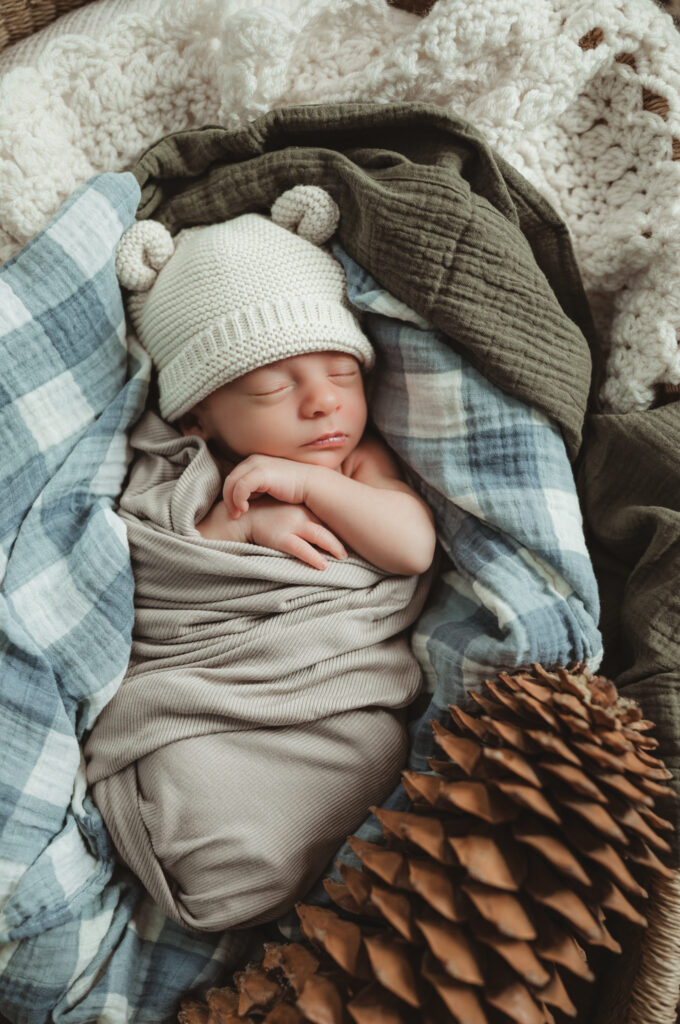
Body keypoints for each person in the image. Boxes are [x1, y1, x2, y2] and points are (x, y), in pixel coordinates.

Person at [85, 186, 436, 932]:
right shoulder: (176, 472)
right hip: (209, 696)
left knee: (379, 746)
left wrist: (312, 487)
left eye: (342, 373)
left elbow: (410, 546)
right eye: (273, 387)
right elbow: (152, 575)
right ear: (198, 415)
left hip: (331, 693)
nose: (322, 403)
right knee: (188, 769)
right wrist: (240, 526)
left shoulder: (356, 463)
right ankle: (218, 862)